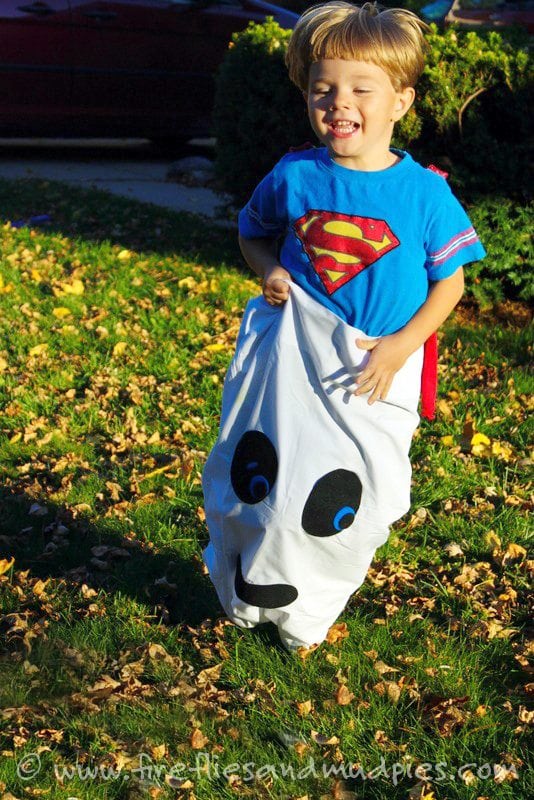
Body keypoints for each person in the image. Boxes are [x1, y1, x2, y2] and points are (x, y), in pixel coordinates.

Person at [202, 1, 486, 652]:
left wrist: (398, 349)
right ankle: (258, 587)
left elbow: (452, 283)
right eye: (322, 89)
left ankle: (316, 599)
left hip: (375, 366)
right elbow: (252, 233)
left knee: (357, 496)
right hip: (296, 359)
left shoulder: (424, 195)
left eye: (361, 89)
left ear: (401, 102)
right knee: (276, 475)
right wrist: (270, 271)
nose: (339, 103)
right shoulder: (295, 175)